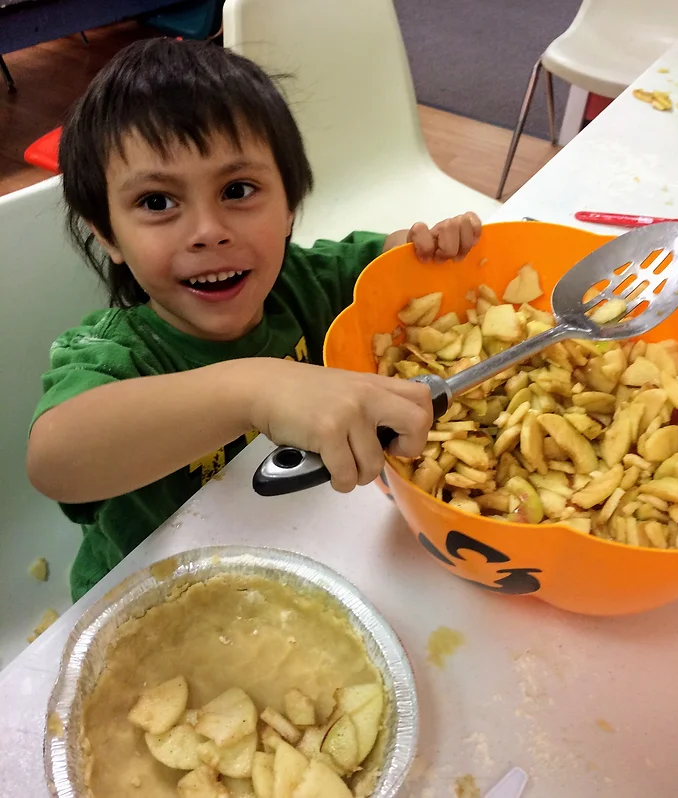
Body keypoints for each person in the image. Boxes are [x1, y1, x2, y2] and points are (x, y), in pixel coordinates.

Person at [26, 38, 483, 600]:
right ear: (107, 233)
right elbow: (56, 460)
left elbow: (387, 266)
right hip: (150, 601)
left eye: (237, 191)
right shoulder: (116, 356)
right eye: (156, 203)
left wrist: (431, 249)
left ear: (289, 205)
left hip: (297, 557)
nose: (207, 231)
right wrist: (253, 388)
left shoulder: (305, 284)